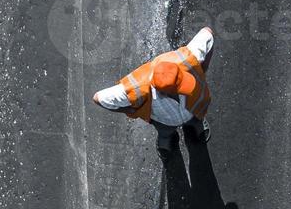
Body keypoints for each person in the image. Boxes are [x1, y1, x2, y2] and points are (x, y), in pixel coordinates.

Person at [91, 27, 215, 155]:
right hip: (164, 121)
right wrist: (127, 110)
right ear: (163, 91)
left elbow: (208, 33)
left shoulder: (187, 58)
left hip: (194, 110)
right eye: (181, 87)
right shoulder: (137, 88)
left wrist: (204, 67)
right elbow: (98, 98)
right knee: (165, 131)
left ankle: (195, 123)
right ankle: (167, 137)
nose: (185, 86)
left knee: (195, 118)